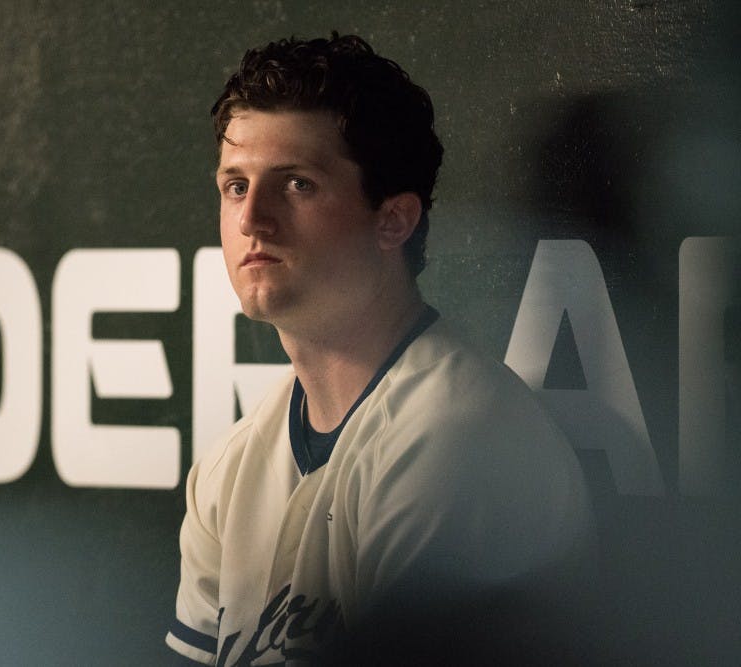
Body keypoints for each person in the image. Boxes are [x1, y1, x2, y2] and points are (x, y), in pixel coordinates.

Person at [167, 33, 595, 666]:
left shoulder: (459, 441)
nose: (252, 218)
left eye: (297, 184)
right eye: (235, 186)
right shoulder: (228, 470)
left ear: (393, 219)